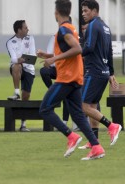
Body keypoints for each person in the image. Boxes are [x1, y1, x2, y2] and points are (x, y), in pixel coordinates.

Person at [39, 0, 105, 160]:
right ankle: (96, 147)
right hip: (76, 77)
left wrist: (53, 60)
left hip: (67, 79)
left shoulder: (63, 29)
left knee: (45, 109)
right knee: (77, 115)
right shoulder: (71, 27)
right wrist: (49, 56)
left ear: (56, 13)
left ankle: (71, 136)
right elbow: (70, 51)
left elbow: (77, 49)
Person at [78, 0, 121, 149]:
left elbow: (88, 47)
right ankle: (93, 141)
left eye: (86, 11)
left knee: (83, 106)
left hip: (93, 72)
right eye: (82, 11)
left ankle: (112, 126)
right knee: (92, 106)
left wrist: (75, 53)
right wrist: (111, 72)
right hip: (103, 73)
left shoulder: (92, 25)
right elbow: (109, 51)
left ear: (95, 11)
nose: (83, 14)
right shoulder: (106, 28)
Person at [6, 20, 36, 132]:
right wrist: (20, 59)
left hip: (29, 69)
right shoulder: (10, 42)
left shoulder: (30, 38)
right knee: (16, 66)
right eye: (25, 27)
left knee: (26, 95)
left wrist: (22, 59)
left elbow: (33, 56)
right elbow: (13, 58)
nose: (27, 29)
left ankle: (23, 124)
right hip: (17, 68)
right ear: (19, 30)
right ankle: (16, 92)